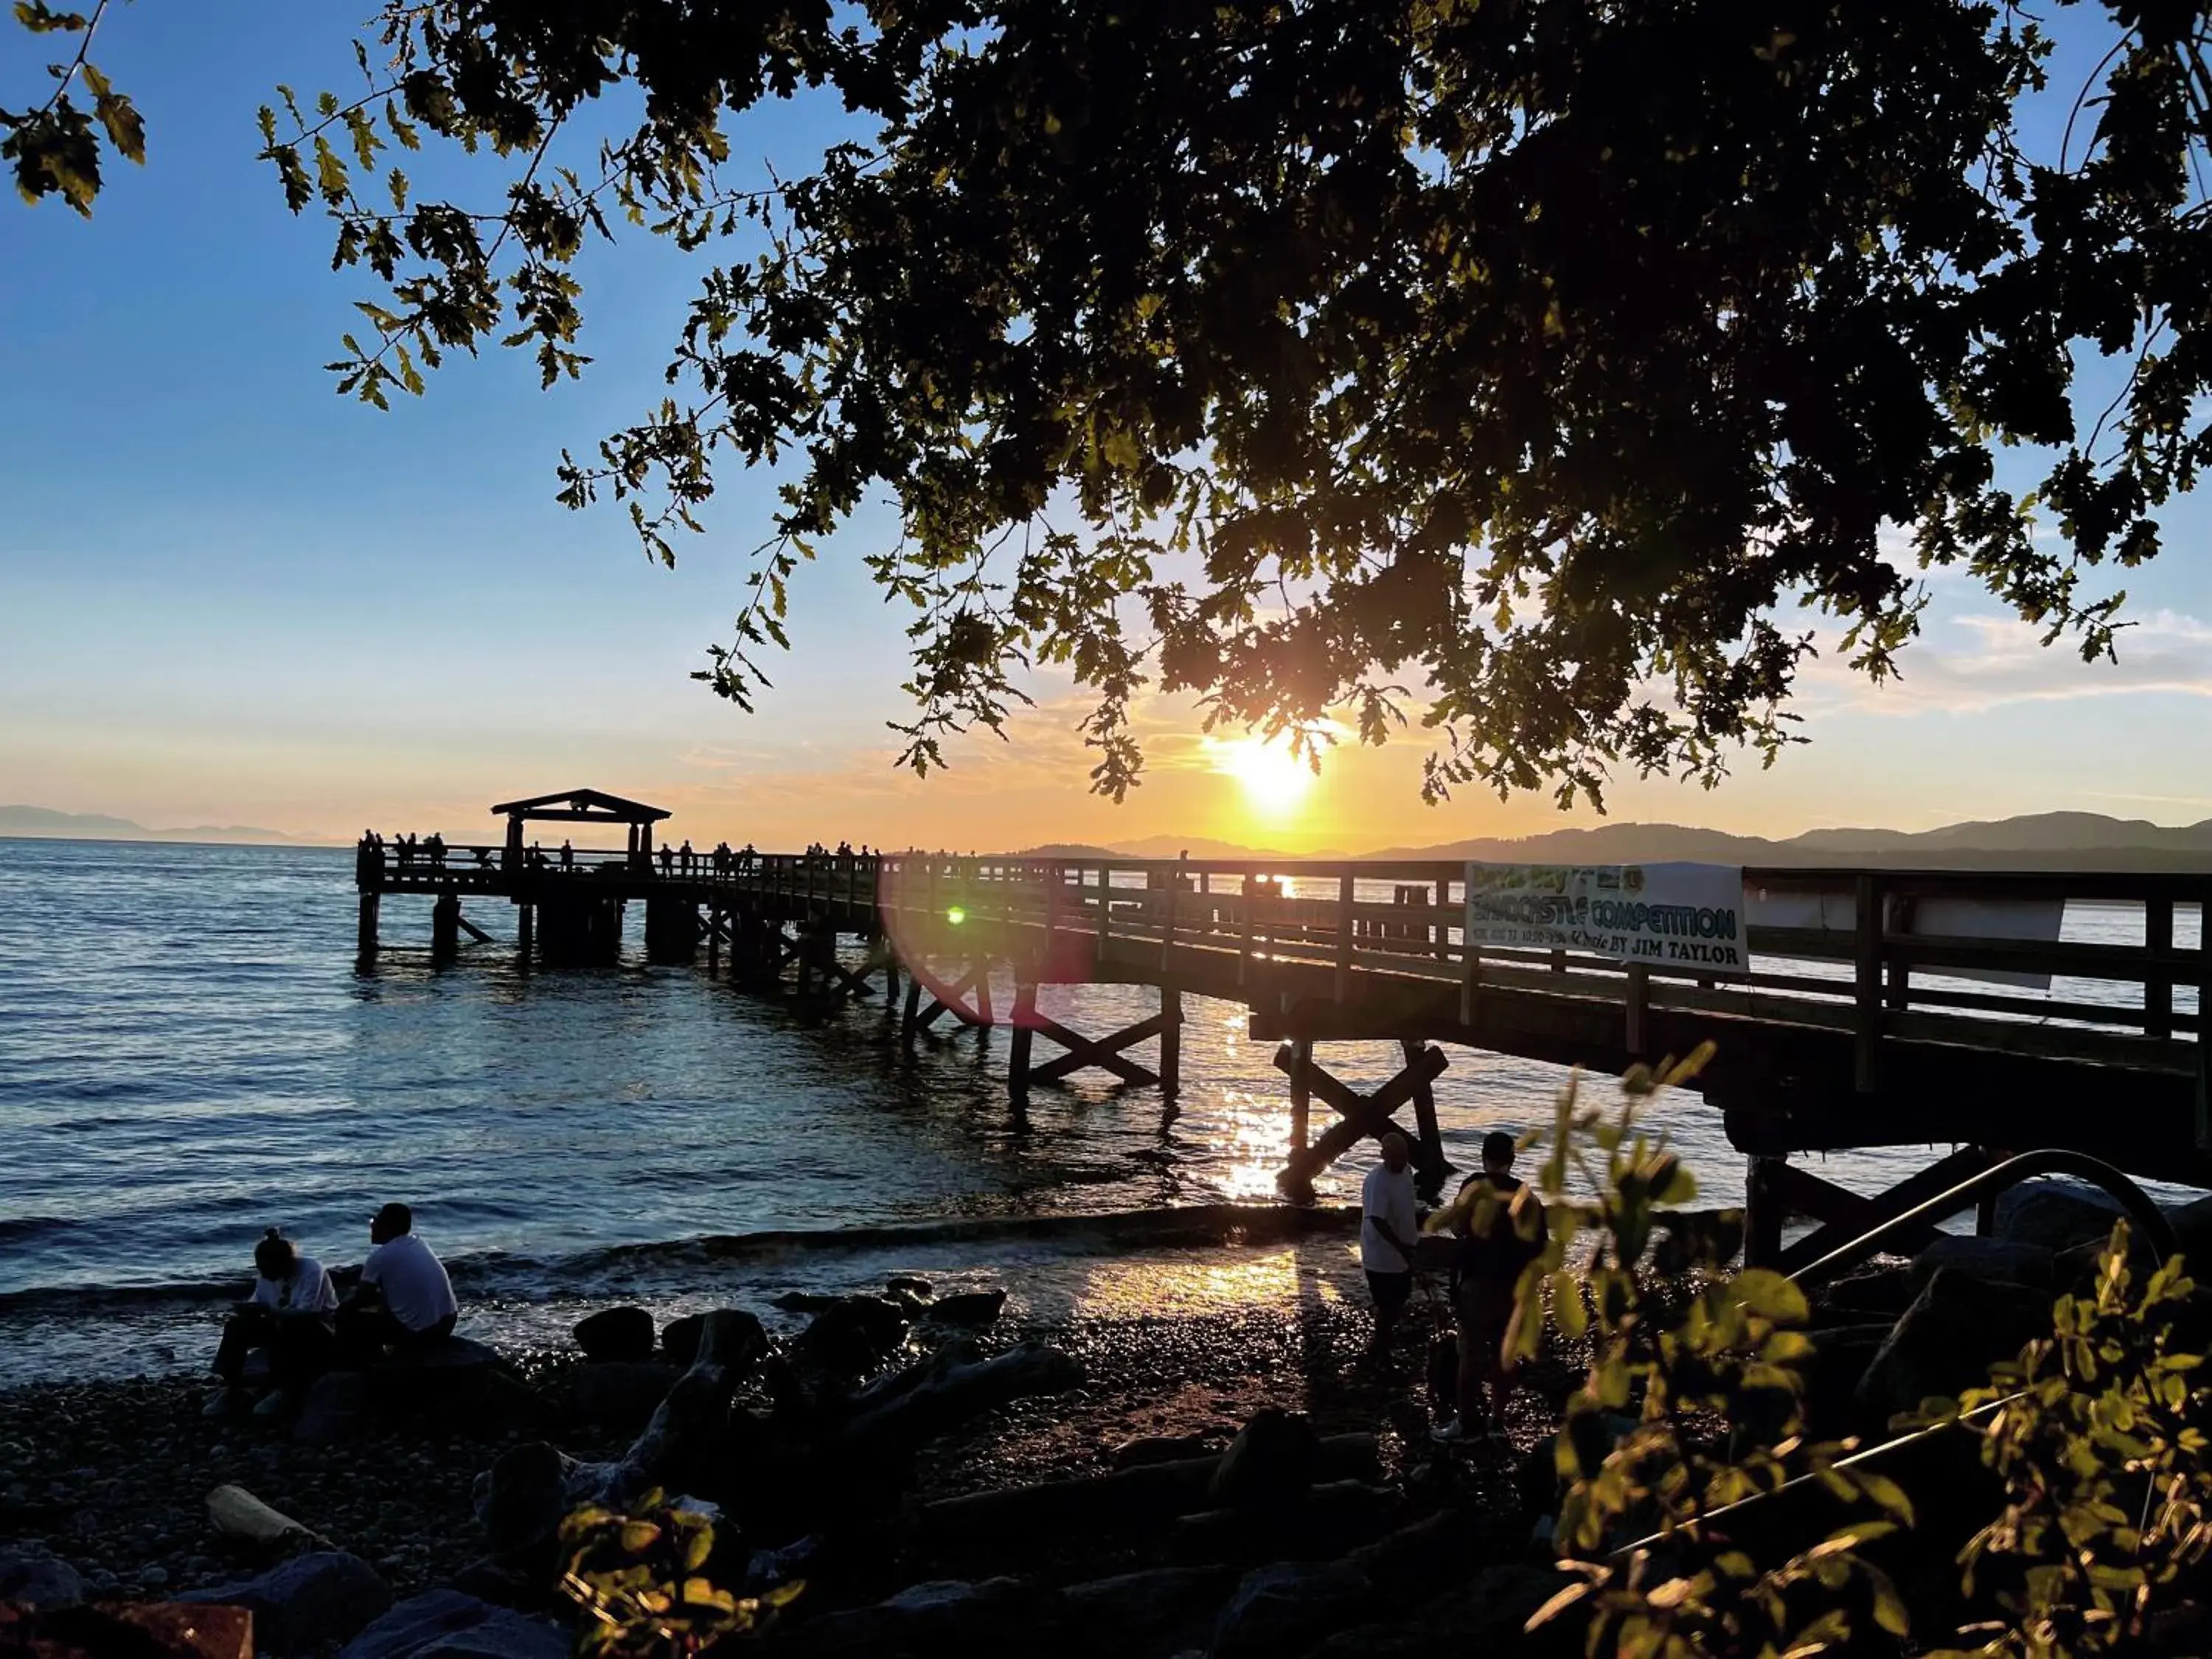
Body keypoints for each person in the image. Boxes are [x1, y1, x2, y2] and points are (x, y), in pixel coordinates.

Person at [1434, 1130, 1545, 1444]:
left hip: (1477, 1282)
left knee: (1470, 1355)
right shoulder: (1526, 1195)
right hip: (1512, 1286)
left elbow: (1456, 1227)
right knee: (1502, 1357)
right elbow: (1540, 1245)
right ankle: (1498, 1420)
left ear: (1484, 1157)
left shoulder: (1474, 1187)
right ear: (1511, 1159)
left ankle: (1466, 1422)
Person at [208, 1229, 338, 1416]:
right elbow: (258, 1302)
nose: (264, 1274)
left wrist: (270, 1312)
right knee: (236, 1326)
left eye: (268, 1269)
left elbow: (309, 1312)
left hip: (318, 1329)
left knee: (290, 1325)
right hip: (279, 1324)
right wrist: (248, 1311)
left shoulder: (312, 1270)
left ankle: (285, 1390)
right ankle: (233, 1387)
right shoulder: (266, 1277)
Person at [336, 1203, 459, 1362]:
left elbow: (362, 1298)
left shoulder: (380, 1256)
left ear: (387, 1227)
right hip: (448, 1321)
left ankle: (366, 1366)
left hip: (423, 1332)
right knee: (382, 1305)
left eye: (375, 1222)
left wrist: (339, 1310)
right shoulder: (418, 1243)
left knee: (348, 1318)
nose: (372, 1227)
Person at [1359, 1132, 1421, 1363]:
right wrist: (1402, 1248)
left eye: (1404, 1156)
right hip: (1381, 1254)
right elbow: (1377, 1220)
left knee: (1400, 1298)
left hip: (1404, 1250)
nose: (1401, 1160)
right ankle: (1380, 1350)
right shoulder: (1377, 1181)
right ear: (1383, 1155)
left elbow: (1405, 1209)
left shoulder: (1407, 1172)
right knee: (1387, 1305)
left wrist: (1411, 1244)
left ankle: (1382, 1344)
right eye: (1395, 1156)